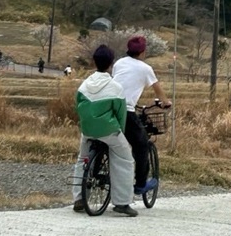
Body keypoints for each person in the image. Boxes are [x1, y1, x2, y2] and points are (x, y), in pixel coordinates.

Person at [71, 44, 137, 217]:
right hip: (109, 131)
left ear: (94, 62)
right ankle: (122, 203)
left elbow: (78, 107)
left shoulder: (84, 86)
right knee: (125, 159)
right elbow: (121, 115)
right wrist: (120, 133)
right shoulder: (115, 87)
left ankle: (79, 198)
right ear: (111, 64)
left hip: (87, 130)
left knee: (82, 160)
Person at [111, 35, 171, 196]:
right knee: (142, 145)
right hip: (125, 110)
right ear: (143, 52)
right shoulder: (145, 69)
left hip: (109, 106)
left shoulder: (118, 63)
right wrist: (166, 102)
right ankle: (140, 184)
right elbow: (158, 90)